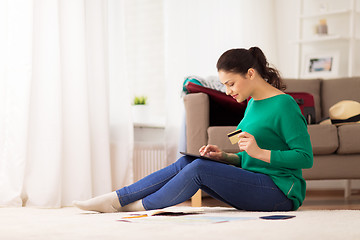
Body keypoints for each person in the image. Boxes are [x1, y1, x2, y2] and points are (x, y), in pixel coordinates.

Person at [73, 47, 313, 213]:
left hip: (280, 192)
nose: (228, 91)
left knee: (200, 169)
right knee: (190, 160)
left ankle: (137, 207)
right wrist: (225, 157)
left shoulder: (285, 105)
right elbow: (251, 158)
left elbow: (305, 157)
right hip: (259, 182)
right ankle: (118, 198)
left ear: (250, 73)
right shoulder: (252, 103)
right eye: (224, 85)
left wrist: (259, 151)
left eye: (231, 84)